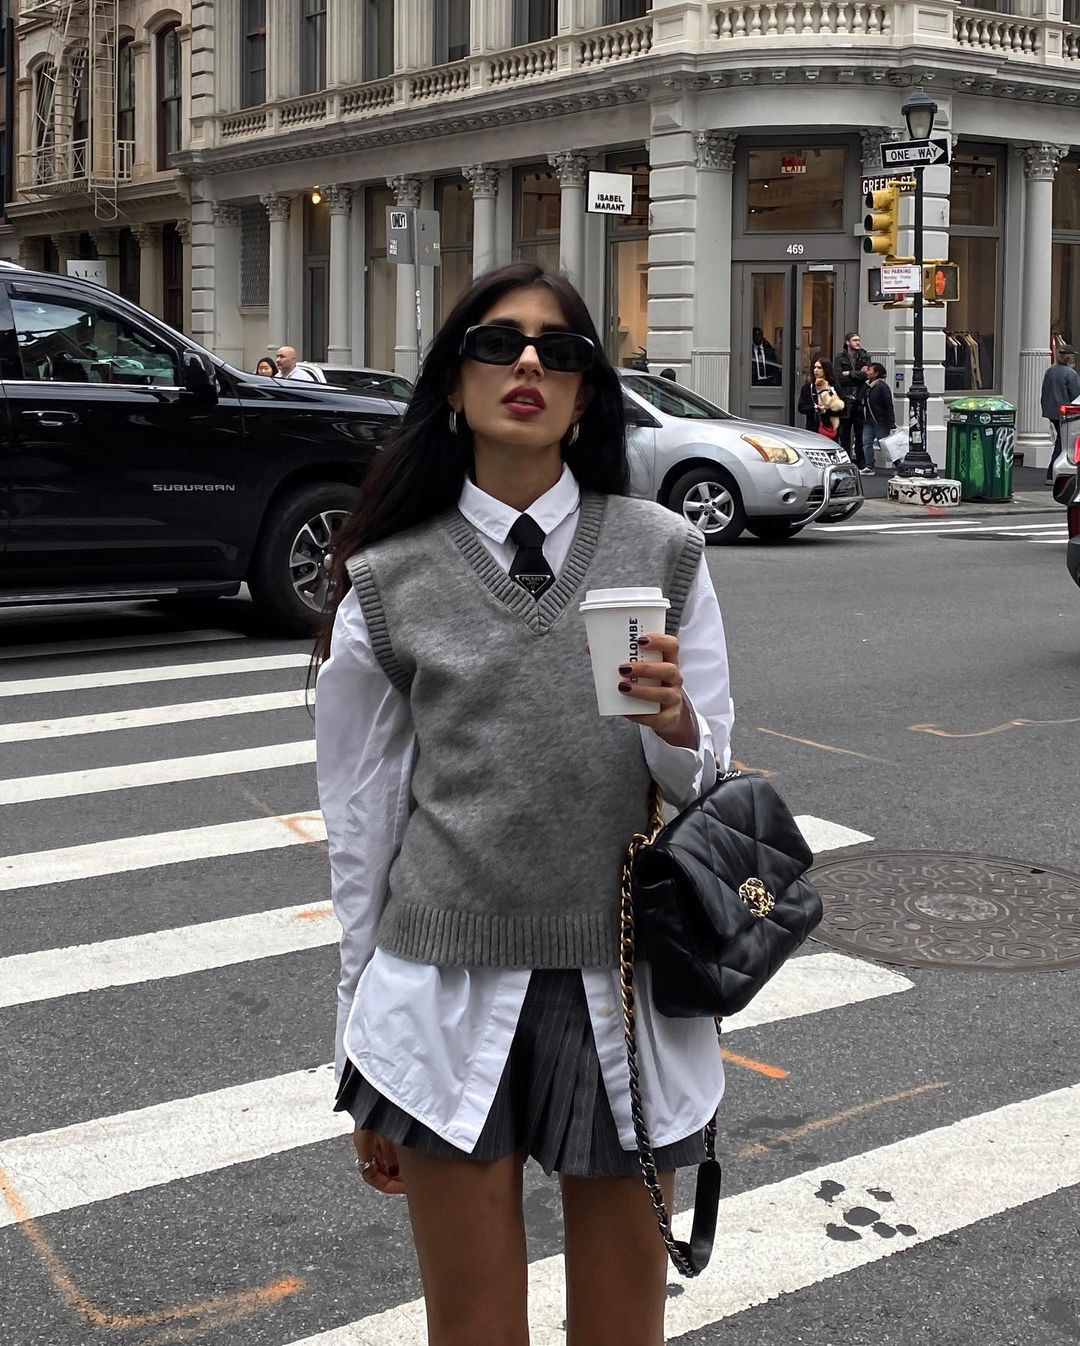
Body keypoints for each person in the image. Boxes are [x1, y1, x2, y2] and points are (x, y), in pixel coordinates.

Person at [314, 261, 733, 1346]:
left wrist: (677, 725)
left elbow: (711, 784)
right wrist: (357, 1029)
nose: (530, 363)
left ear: (589, 395)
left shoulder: (664, 550)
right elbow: (361, 827)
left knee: (622, 1328)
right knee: (475, 1330)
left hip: (625, 979)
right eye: (498, 344)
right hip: (442, 987)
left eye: (562, 350)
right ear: (455, 385)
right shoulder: (386, 582)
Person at [1040, 344, 1080, 483]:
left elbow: (1045, 392)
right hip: (1067, 413)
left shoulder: (1050, 371)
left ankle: (1051, 474)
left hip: (1052, 411)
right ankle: (1052, 474)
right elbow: (1076, 395)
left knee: (1060, 441)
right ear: (1069, 357)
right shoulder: (1071, 374)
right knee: (1062, 443)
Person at [834, 332, 872, 466]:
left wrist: (849, 373)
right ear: (847, 342)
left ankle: (862, 463)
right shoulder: (840, 357)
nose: (858, 343)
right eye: (855, 340)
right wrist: (857, 375)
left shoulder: (865, 356)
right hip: (846, 400)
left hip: (859, 400)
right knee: (844, 434)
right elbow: (839, 378)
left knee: (860, 434)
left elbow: (866, 375)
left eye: (859, 340)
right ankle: (846, 461)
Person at [861, 363, 896, 475]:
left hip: (880, 421)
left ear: (876, 373)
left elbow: (888, 405)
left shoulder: (882, 387)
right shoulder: (867, 386)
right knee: (866, 443)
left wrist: (891, 422)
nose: (867, 371)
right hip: (868, 420)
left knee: (886, 444)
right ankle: (869, 466)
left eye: (869, 370)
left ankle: (899, 465)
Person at [797, 356, 839, 432]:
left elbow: (841, 408)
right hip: (813, 427)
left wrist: (826, 409)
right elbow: (801, 407)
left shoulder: (834, 386)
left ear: (826, 370)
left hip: (830, 427)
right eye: (814, 367)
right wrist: (814, 407)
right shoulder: (808, 388)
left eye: (819, 368)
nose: (816, 370)